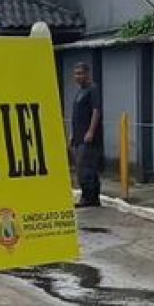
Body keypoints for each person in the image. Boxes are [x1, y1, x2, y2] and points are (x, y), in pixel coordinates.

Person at [69, 61, 103, 207]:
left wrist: (90, 131)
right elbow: (76, 115)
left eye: (81, 73)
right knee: (81, 166)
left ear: (87, 74)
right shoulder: (79, 92)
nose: (78, 76)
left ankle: (89, 197)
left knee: (86, 167)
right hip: (78, 136)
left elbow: (96, 111)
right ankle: (90, 197)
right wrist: (72, 133)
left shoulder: (92, 90)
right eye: (76, 73)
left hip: (88, 137)